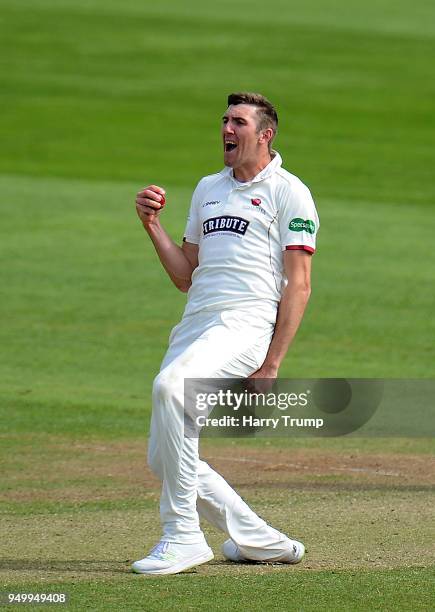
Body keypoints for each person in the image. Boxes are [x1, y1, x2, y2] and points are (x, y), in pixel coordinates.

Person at [132, 92, 319, 575]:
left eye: (238, 121)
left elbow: (298, 283)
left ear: (265, 134)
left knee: (171, 389)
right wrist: (153, 226)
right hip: (196, 323)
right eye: (224, 120)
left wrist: (272, 363)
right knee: (165, 455)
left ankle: (183, 536)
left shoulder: (288, 191)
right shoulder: (207, 188)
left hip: (246, 322)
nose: (226, 129)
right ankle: (259, 540)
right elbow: (185, 275)